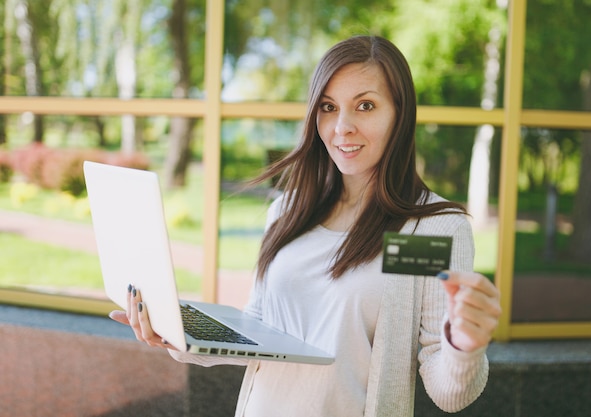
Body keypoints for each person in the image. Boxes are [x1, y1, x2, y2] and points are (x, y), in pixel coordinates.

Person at [110, 35, 501, 417]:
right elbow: (260, 327)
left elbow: (449, 394)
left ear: (401, 114)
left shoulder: (430, 229)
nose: (341, 127)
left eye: (365, 105)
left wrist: (463, 347)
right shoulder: (287, 210)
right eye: (328, 107)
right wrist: (178, 334)